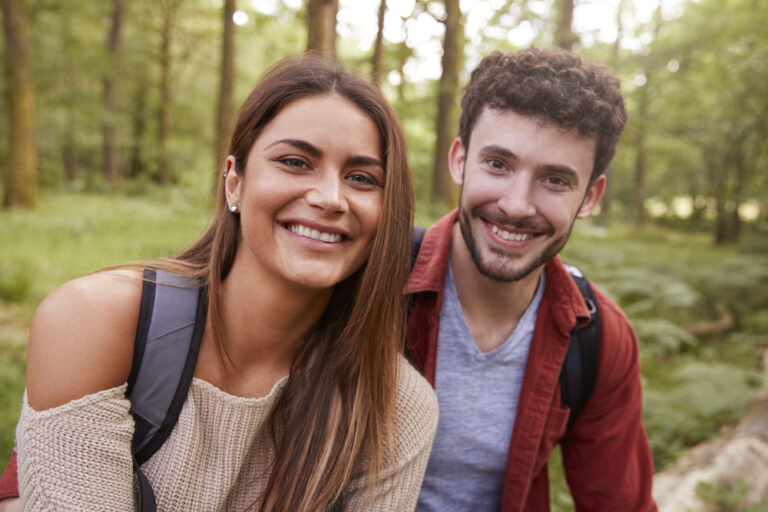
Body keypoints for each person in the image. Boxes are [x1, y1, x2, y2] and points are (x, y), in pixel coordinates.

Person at [0, 55, 438, 511]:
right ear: (234, 182)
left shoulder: (397, 407)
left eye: (362, 178)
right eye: (295, 162)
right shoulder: (94, 320)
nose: (330, 198)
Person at [408, 47, 657, 511]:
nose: (517, 205)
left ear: (590, 196)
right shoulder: (367, 281)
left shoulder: (599, 339)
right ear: (460, 160)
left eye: (556, 180)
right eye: (498, 164)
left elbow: (619, 503)